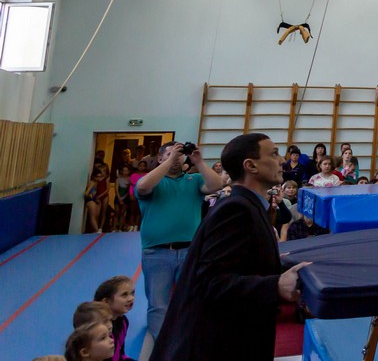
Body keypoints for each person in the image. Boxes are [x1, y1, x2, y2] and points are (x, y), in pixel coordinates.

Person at [149, 133, 310, 361]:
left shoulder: (252, 206)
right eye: (274, 154)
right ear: (251, 165)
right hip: (216, 346)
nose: (282, 160)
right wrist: (275, 285)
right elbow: (210, 283)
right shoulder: (235, 209)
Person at [135, 143, 223, 345]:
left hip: (189, 250)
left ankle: (188, 341)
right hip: (156, 252)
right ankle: (162, 345)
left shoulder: (193, 180)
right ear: (159, 158)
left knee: (191, 298)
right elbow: (143, 188)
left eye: (179, 154)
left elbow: (216, 185)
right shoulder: (152, 181)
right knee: (158, 304)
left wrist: (198, 161)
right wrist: (170, 161)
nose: (176, 157)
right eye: (169, 153)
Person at [94, 276, 135, 361]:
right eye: (124, 295)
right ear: (106, 301)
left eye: (132, 293)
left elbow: (120, 353)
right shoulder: (101, 330)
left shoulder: (123, 321)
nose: (131, 298)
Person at [83, 166, 109, 233]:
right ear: (94, 176)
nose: (99, 178)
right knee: (92, 217)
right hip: (91, 200)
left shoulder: (96, 183)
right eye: (98, 177)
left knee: (96, 216)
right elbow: (86, 193)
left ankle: (96, 230)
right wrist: (91, 198)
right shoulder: (92, 183)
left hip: (94, 200)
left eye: (100, 177)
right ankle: (97, 231)